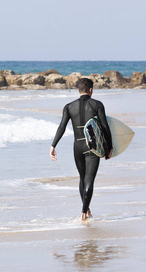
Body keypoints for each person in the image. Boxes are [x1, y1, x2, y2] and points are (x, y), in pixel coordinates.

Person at [50, 78, 113, 221]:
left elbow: (61, 127)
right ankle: (84, 212)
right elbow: (104, 127)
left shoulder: (68, 106)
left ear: (79, 90)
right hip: (93, 147)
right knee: (90, 179)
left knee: (82, 179)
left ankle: (87, 209)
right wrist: (109, 147)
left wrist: (53, 145)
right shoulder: (97, 105)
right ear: (91, 89)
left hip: (77, 146)